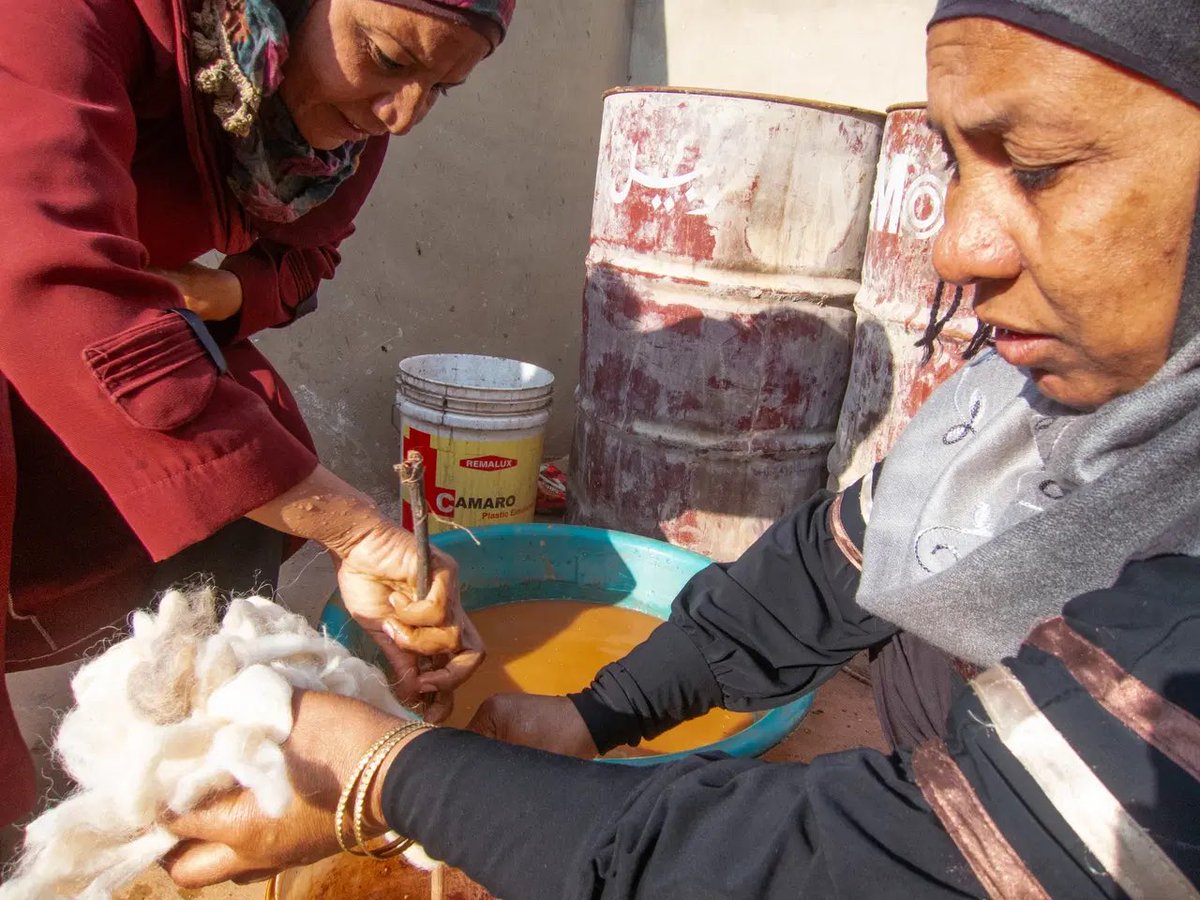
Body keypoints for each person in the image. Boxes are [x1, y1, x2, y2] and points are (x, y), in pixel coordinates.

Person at [163, 0, 1197, 895]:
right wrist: (594, 714)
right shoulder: (1049, 409)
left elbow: (856, 864)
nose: (955, 249)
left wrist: (393, 771)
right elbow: (824, 572)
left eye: (1042, 168)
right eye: (957, 165)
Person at [0, 0, 517, 830]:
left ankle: (186, 752)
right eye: (386, 56)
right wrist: (351, 527)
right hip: (25, 309)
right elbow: (49, 279)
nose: (404, 115)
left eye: (442, 89)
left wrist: (225, 291)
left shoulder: (349, 128)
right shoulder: (63, 18)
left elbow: (305, 253)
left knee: (251, 459)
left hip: (65, 322)